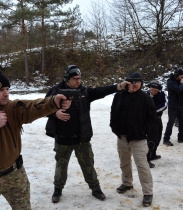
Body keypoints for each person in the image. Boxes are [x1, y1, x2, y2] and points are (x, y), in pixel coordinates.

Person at [45, 65, 129, 203]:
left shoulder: (84, 91)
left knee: (88, 165)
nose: (79, 81)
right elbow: (42, 108)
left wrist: (118, 86)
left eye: (80, 78)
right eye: (75, 79)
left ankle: (96, 189)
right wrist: (55, 114)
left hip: (82, 138)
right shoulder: (55, 91)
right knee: (61, 166)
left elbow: (101, 91)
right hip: (63, 138)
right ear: (67, 78)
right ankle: (57, 190)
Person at [0, 73, 71, 210]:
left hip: (13, 176)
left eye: (7, 89)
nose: (6, 94)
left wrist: (53, 102)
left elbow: (32, 107)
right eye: (1, 90)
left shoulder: (12, 108)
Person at [110, 71, 158, 207]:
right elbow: (113, 112)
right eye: (132, 82)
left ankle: (148, 192)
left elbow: (152, 118)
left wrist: (143, 132)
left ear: (141, 84)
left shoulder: (146, 98)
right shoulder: (119, 96)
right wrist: (114, 126)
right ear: (127, 83)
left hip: (139, 138)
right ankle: (127, 183)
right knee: (124, 162)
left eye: (137, 82)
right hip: (122, 136)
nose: (134, 84)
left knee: (142, 165)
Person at [146, 80, 168, 167]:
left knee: (158, 137)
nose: (153, 91)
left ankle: (153, 154)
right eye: (152, 89)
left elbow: (165, 105)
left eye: (155, 90)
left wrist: (152, 110)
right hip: (148, 121)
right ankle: (146, 159)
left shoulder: (162, 94)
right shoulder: (145, 95)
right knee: (150, 139)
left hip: (158, 119)